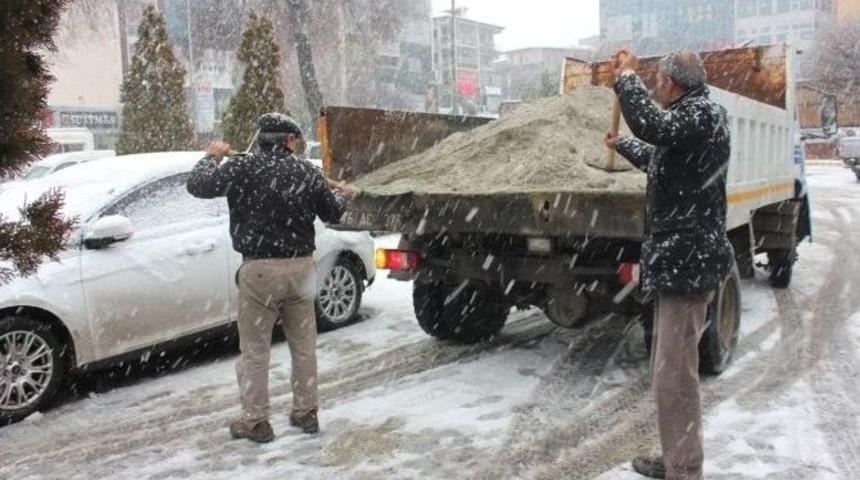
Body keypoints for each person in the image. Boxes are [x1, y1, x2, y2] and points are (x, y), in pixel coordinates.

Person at [187, 113, 358, 443]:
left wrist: (212, 155)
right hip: (301, 270)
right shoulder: (306, 172)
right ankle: (306, 412)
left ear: (261, 139)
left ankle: (256, 421)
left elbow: (198, 185)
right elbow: (333, 214)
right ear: (290, 141)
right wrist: (344, 195)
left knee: (255, 350)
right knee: (304, 347)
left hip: (260, 271)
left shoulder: (243, 168)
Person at [605, 50, 734, 479]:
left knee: (675, 379)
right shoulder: (687, 120)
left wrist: (626, 78)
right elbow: (660, 160)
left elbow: (654, 126)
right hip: (679, 266)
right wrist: (621, 144)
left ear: (672, 81)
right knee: (669, 375)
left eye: (658, 78)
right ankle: (677, 457)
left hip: (688, 265)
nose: (656, 84)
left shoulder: (700, 115)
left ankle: (684, 469)